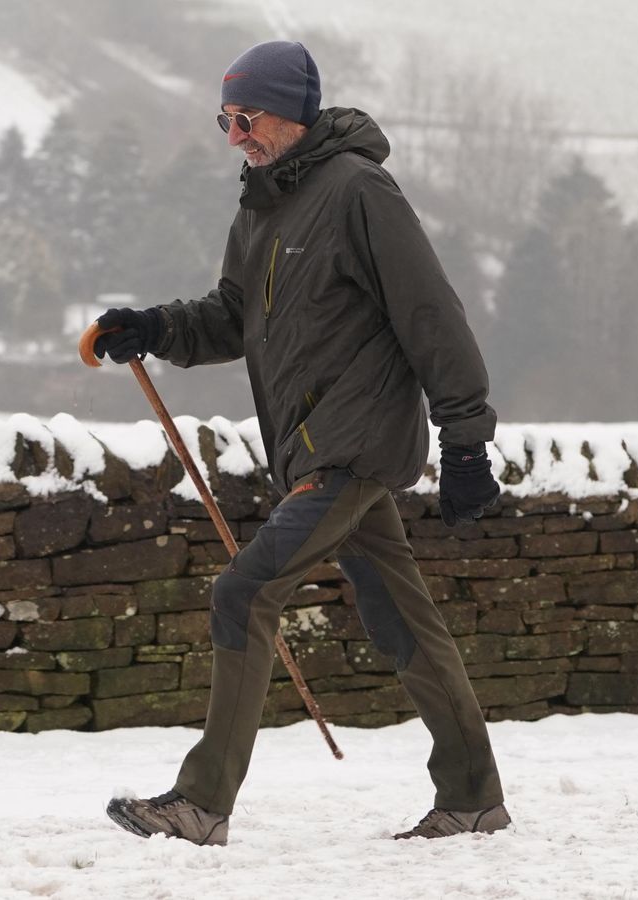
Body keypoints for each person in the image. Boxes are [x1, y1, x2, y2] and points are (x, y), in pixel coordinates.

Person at [93, 40, 508, 845]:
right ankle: (473, 797)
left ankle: (200, 805)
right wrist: (154, 327)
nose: (235, 136)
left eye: (246, 118)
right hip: (314, 450)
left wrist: (467, 440)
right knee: (404, 621)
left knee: (243, 591)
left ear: (290, 111)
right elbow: (230, 317)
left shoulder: (360, 192)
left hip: (354, 445)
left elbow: (431, 316)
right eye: (225, 120)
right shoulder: (263, 206)